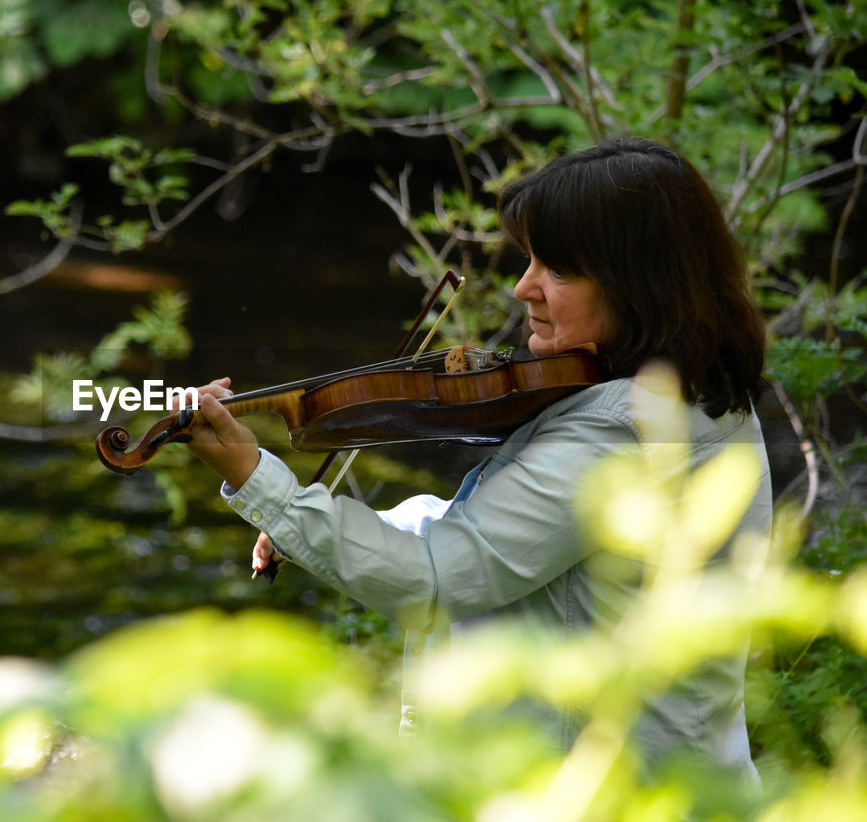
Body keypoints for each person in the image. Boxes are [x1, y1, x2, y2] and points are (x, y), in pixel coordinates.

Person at [184, 137, 772, 774]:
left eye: (559, 270)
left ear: (640, 282)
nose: (524, 289)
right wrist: (310, 524)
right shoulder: (706, 397)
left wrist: (260, 481)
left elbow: (433, 580)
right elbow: (531, 544)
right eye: (530, 262)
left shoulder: (618, 436)